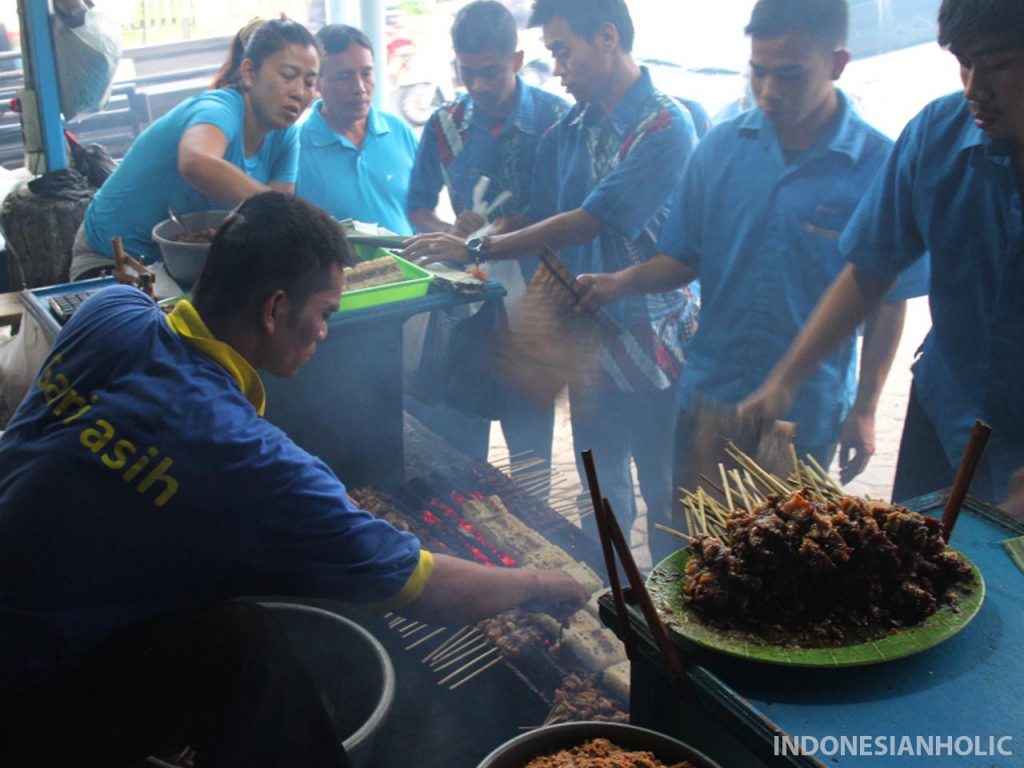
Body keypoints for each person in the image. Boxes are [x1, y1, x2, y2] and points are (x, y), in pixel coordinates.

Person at [0, 192, 588, 766]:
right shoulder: (246, 459)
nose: (326, 332)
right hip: (28, 696)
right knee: (243, 646)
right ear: (275, 309)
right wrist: (539, 582)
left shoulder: (109, 312)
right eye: (325, 314)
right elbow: (424, 586)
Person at [573, 0, 925, 561]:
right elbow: (684, 259)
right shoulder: (720, 148)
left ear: (837, 63)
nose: (768, 90)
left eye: (790, 75)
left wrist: (865, 408)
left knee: (790, 566)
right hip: (712, 400)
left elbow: (889, 301)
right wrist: (619, 282)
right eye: (758, 70)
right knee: (697, 556)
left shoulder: (877, 164)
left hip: (804, 414)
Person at [404, 0, 699, 555]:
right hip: (589, 340)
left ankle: (674, 621)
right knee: (600, 491)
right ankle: (614, 602)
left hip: (653, 344)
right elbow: (544, 219)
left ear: (607, 37)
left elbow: (588, 219)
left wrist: (479, 243)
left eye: (563, 51)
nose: (558, 68)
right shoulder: (570, 126)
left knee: (665, 491)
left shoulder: (665, 123)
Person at [739, 0, 1024, 515]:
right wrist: (784, 381)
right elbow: (869, 271)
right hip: (948, 412)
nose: (974, 87)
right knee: (918, 567)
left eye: (999, 65)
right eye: (964, 63)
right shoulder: (936, 134)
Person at [404, 0, 569, 470]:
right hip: (465, 308)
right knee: (460, 450)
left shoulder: (557, 121)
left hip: (535, 307)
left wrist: (492, 233)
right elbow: (417, 205)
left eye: (491, 72)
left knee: (532, 452)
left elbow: (565, 216)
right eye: (467, 71)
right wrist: (447, 231)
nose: (478, 85)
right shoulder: (444, 124)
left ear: (517, 61)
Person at [69, 18, 320, 281]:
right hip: (114, 259)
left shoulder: (286, 135)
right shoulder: (218, 109)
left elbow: (276, 222)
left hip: (192, 267)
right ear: (249, 72)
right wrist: (279, 209)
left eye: (310, 82)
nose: (299, 92)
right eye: (288, 76)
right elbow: (197, 162)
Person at [295, 24, 418, 236]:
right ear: (316, 83)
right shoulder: (295, 147)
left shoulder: (398, 131)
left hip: (416, 268)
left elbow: (422, 210)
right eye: (344, 77)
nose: (359, 88)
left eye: (366, 74)